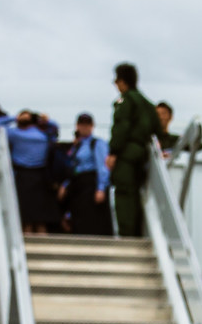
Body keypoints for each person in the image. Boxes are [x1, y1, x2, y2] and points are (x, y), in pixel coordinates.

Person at [107, 65, 162, 239]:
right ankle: (137, 234)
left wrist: (113, 152)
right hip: (142, 156)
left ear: (122, 81)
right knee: (136, 196)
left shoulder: (126, 101)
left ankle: (126, 236)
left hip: (126, 155)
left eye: (116, 81)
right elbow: (159, 133)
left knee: (124, 195)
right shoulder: (147, 104)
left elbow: (121, 127)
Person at [62, 113, 112, 237]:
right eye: (81, 125)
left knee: (91, 219)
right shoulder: (77, 145)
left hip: (90, 183)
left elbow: (103, 166)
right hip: (77, 184)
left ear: (92, 126)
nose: (84, 128)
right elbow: (73, 166)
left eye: (87, 125)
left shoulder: (97, 143)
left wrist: (101, 188)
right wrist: (66, 184)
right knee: (77, 217)